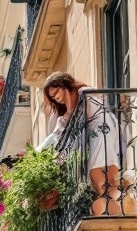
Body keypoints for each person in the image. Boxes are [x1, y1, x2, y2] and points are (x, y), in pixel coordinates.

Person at [42, 71, 125, 216]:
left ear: (63, 84)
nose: (56, 97)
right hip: (94, 137)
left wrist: (70, 97)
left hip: (102, 129)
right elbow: (56, 136)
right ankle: (112, 206)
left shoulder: (84, 93)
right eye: (53, 97)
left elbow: (96, 113)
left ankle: (111, 203)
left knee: (100, 171)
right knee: (99, 173)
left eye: (56, 92)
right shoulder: (64, 116)